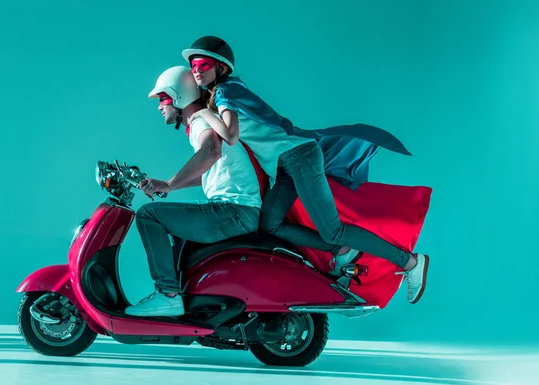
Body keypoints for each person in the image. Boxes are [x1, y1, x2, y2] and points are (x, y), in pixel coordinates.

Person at [180, 36, 430, 304]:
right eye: (193, 64)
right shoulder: (224, 94)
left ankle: (410, 262)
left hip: (299, 157)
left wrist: (203, 116)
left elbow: (229, 135)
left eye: (203, 64)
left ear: (222, 68)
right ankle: (341, 250)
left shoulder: (226, 92)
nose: (196, 69)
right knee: (270, 224)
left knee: (331, 229)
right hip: (284, 167)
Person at [124, 66, 262, 317]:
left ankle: (167, 295)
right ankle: (183, 298)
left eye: (163, 99)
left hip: (233, 210)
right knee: (174, 231)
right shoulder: (203, 122)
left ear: (179, 97)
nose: (159, 106)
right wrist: (166, 182)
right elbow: (208, 171)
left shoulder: (200, 120)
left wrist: (169, 184)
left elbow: (211, 152)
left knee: (149, 215)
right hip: (238, 210)